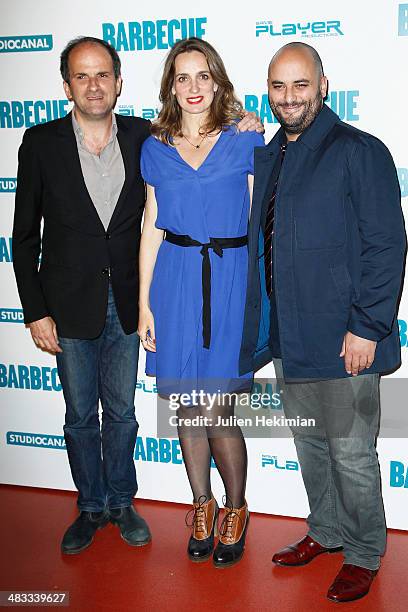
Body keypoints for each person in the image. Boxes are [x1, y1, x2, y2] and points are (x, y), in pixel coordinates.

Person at [239, 42, 406, 602]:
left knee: (351, 455)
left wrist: (367, 326)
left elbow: (387, 245)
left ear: (323, 85)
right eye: (278, 87)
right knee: (311, 447)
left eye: (300, 85)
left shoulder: (359, 150)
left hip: (346, 341)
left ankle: (362, 551)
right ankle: (327, 530)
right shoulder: (271, 154)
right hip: (292, 338)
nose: (289, 98)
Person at [12, 36, 154, 554]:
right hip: (68, 305)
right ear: (67, 85)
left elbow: (200, 134)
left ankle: (121, 500)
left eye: (103, 74)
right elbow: (24, 236)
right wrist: (35, 312)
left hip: (129, 302)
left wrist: (246, 121)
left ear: (118, 81)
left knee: (122, 412)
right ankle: (90, 506)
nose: (93, 85)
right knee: (79, 416)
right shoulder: (40, 142)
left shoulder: (144, 136)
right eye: (82, 75)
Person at [138, 37, 264, 568]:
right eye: (182, 77)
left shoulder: (246, 140)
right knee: (186, 408)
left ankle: (236, 508)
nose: (192, 87)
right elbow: (151, 226)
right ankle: (203, 505)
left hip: (230, 282)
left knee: (217, 407)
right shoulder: (155, 146)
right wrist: (144, 303)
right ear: (170, 84)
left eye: (202, 76)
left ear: (218, 81)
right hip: (175, 284)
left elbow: (262, 222)